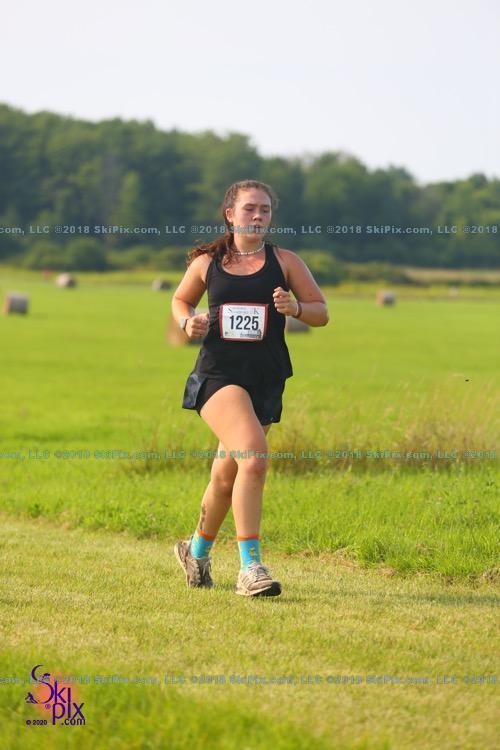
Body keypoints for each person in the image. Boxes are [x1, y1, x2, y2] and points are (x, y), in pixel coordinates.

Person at [171, 179, 329, 597]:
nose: (258, 216)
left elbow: (321, 312)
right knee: (255, 459)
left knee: (227, 476)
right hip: (218, 377)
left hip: (266, 380)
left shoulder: (286, 262)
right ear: (230, 214)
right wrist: (187, 322)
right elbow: (180, 300)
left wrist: (297, 307)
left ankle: (195, 551)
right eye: (249, 209)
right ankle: (251, 567)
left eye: (265, 210)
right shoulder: (208, 263)